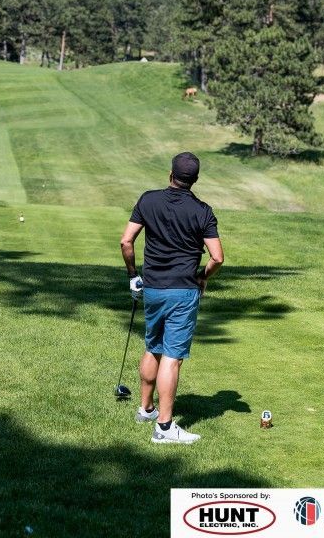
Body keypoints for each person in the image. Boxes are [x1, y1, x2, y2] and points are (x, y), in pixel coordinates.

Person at [119, 151, 224, 444]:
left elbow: (126, 241)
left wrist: (132, 274)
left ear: (170, 175)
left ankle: (146, 408)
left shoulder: (148, 199)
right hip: (183, 290)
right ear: (195, 180)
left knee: (153, 345)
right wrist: (203, 277)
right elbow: (217, 257)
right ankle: (164, 429)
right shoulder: (203, 211)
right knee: (172, 357)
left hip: (152, 287)